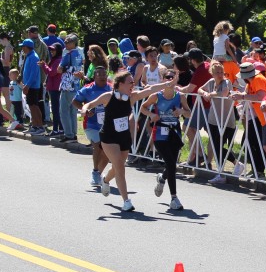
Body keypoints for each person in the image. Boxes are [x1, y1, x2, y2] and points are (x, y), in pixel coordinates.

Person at [83, 70, 177, 212]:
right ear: (120, 84)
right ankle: (126, 201)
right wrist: (84, 110)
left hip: (124, 137)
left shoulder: (132, 97)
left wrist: (167, 84)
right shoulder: (108, 97)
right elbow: (89, 104)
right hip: (108, 137)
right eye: (130, 82)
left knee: (117, 167)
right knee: (120, 167)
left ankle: (105, 180)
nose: (133, 85)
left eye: (133, 82)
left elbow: (150, 89)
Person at [140, 70, 192, 210]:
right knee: (170, 164)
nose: (169, 79)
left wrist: (181, 112)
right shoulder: (156, 96)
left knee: (172, 164)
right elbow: (143, 107)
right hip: (159, 134)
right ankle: (174, 198)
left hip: (174, 133)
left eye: (172, 77)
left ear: (176, 80)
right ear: (162, 79)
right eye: (167, 77)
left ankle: (162, 178)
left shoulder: (180, 96)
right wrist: (151, 115)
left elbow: (189, 113)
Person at [231, 61, 266, 181]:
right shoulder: (251, 82)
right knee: (251, 142)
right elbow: (247, 93)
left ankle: (262, 171)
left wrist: (242, 97)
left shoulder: (258, 79)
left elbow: (260, 96)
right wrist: (238, 94)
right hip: (259, 116)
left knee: (259, 144)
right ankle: (257, 170)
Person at [73, 66, 114, 187]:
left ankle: (98, 174)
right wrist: (84, 110)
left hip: (108, 125)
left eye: (104, 74)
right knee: (97, 144)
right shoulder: (87, 89)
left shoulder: (111, 88)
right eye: (99, 74)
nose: (102, 77)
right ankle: (95, 171)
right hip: (91, 124)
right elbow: (75, 101)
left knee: (107, 151)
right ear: (94, 77)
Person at [201, 60, 236, 184]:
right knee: (216, 146)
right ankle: (221, 174)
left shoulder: (227, 82)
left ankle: (235, 164)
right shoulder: (211, 82)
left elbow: (224, 93)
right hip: (213, 119)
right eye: (217, 72)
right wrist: (205, 93)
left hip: (226, 119)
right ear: (212, 73)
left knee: (218, 147)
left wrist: (210, 94)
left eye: (222, 72)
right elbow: (200, 89)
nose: (220, 74)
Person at [59, 34, 85, 143]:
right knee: (73, 112)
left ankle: (69, 135)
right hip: (76, 85)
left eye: (68, 42)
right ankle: (74, 134)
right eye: (65, 41)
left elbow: (59, 69)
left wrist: (65, 69)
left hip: (67, 86)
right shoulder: (80, 54)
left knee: (64, 111)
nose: (65, 43)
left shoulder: (68, 55)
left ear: (74, 43)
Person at [20, 38, 45, 134]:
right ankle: (34, 126)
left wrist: (27, 85)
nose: (22, 48)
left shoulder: (34, 57)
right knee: (31, 106)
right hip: (30, 86)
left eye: (23, 46)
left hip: (33, 86)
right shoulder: (29, 56)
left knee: (34, 106)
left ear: (27, 47)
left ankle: (40, 127)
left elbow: (34, 73)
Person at [43, 42, 64, 137]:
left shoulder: (58, 60)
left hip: (56, 88)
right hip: (53, 87)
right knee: (56, 109)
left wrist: (44, 65)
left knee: (56, 110)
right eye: (51, 50)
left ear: (58, 51)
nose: (51, 51)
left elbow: (51, 72)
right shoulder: (54, 60)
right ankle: (60, 129)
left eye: (53, 50)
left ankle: (56, 130)